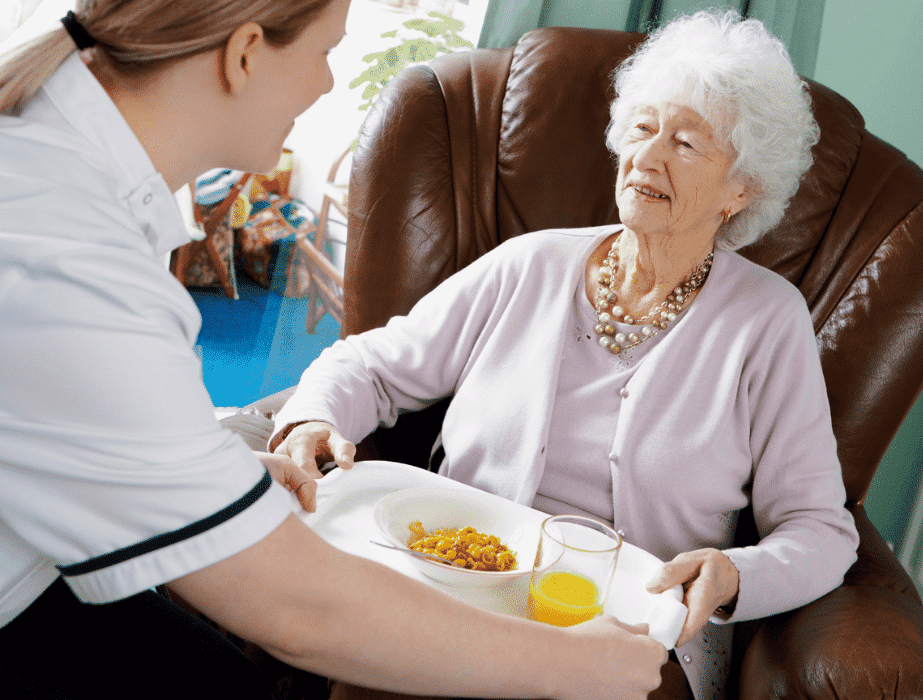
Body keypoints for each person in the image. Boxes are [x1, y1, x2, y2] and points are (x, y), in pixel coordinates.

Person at [0, 1, 669, 698]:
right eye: (324, 52)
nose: (324, 82)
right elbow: (297, 611)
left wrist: (196, 473)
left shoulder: (43, 154)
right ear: (245, 53)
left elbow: (35, 399)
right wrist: (580, 666)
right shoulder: (63, 256)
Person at [267, 10, 860, 700]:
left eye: (688, 143)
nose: (648, 156)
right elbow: (370, 364)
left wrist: (733, 576)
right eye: (642, 128)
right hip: (459, 584)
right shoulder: (529, 264)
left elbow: (822, 530)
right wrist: (310, 419)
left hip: (627, 634)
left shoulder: (767, 323)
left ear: (743, 189)